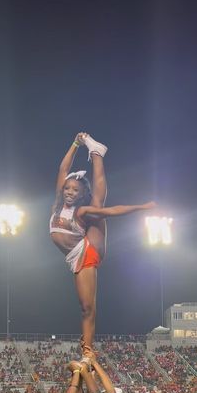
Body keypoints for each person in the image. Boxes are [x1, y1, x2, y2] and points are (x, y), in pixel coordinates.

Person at [50, 132, 155, 357]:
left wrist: (142, 207)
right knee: (85, 307)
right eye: (67, 188)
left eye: (75, 190)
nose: (69, 192)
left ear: (80, 195)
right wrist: (75, 144)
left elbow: (111, 211)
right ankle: (96, 152)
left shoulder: (81, 211)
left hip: (88, 250)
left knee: (87, 307)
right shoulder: (58, 204)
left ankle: (87, 350)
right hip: (73, 257)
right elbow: (62, 170)